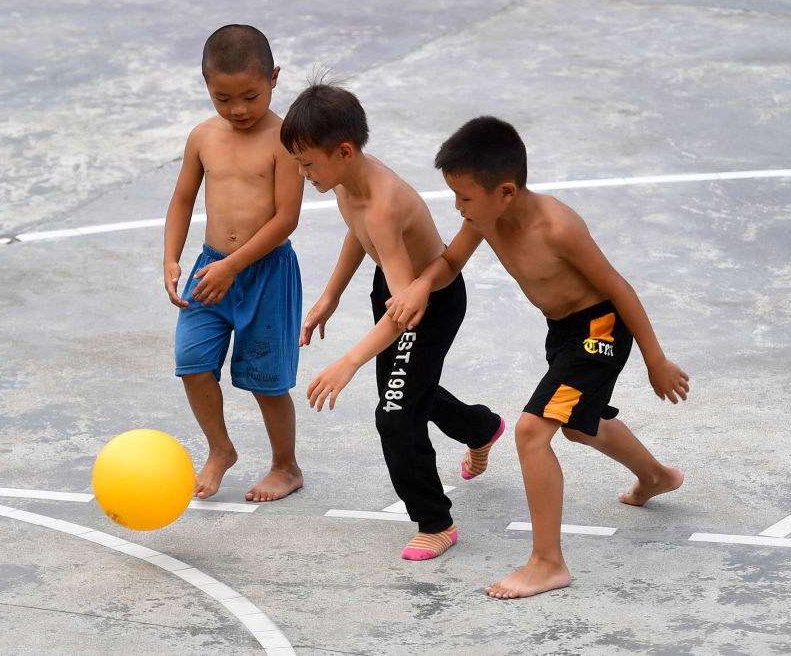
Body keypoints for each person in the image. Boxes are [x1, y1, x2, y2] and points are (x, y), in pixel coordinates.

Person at [386, 116, 690, 597]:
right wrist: (423, 283)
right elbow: (449, 262)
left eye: (464, 196)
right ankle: (655, 476)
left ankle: (548, 562)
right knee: (575, 422)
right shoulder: (482, 219)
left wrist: (656, 360)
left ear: (505, 191)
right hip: (564, 332)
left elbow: (619, 288)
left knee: (532, 432)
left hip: (600, 329)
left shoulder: (558, 227)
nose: (458, 207)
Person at [279, 84, 505, 561]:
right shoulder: (345, 182)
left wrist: (349, 361)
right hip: (395, 293)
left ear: (343, 151)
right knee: (408, 394)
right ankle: (480, 428)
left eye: (307, 164)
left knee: (396, 415)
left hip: (430, 303)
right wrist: (329, 297)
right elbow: (357, 236)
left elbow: (407, 315)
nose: (302, 174)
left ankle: (435, 523)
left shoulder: (383, 204)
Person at [163, 24, 304, 503]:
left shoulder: (286, 138)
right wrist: (170, 258)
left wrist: (233, 267)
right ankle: (221, 449)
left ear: (275, 78)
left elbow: (286, 219)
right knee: (192, 362)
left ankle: (286, 467)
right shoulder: (202, 137)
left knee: (267, 381)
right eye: (223, 98)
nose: (238, 109)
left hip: (266, 272)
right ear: (206, 85)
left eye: (250, 95)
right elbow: (182, 200)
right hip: (209, 268)